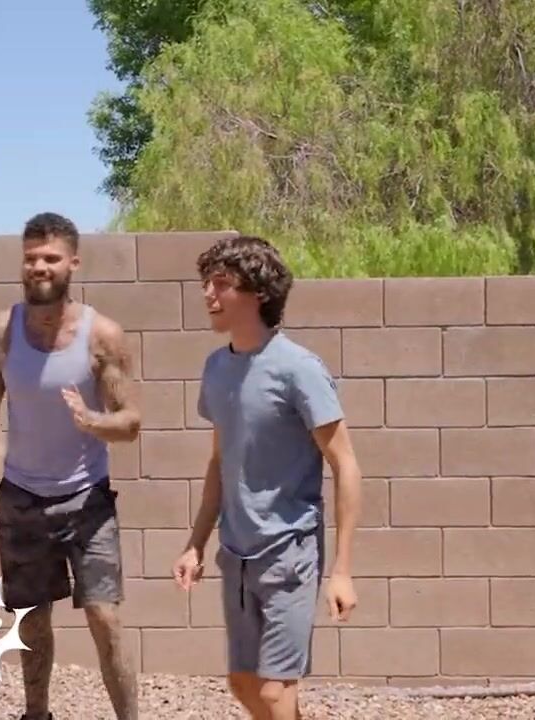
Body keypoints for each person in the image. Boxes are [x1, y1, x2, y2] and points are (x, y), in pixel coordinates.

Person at [172, 235, 362, 720]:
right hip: (235, 553)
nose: (208, 294)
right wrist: (195, 543)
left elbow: (345, 464)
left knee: (276, 692)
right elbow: (219, 461)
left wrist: (341, 571)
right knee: (243, 683)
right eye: (206, 283)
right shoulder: (216, 368)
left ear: (258, 293)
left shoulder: (299, 369)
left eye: (221, 283)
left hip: (289, 552)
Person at [0, 212, 141, 720]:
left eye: (51, 258)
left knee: (104, 617)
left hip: (87, 499)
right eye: (31, 258)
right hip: (22, 497)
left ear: (73, 263)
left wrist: (93, 421)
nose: (39, 267)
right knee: (31, 618)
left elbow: (130, 421)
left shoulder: (102, 336)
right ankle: (36, 714)